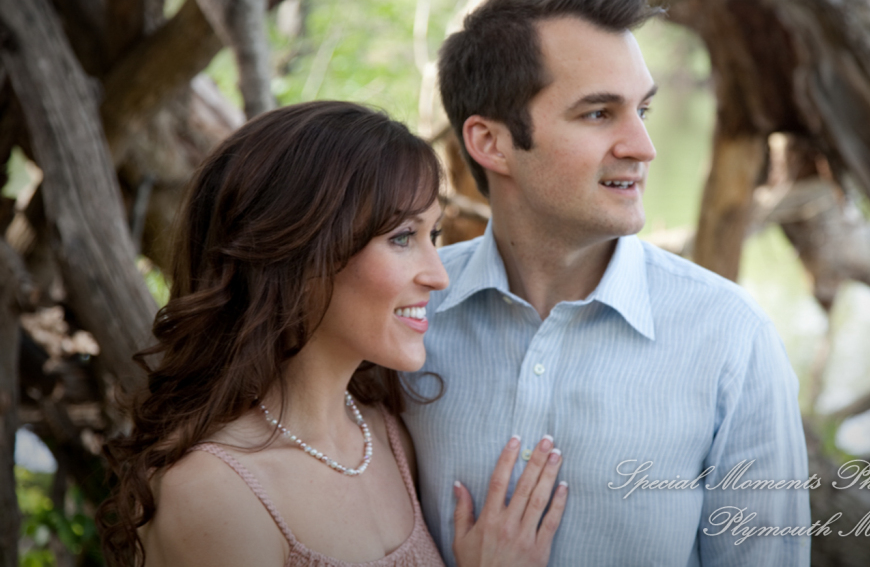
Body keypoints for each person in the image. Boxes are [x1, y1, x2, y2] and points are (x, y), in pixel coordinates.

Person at [402, 0, 811, 566]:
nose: (642, 147)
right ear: (490, 142)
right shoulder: (405, 317)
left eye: (641, 110)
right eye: (598, 113)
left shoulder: (730, 337)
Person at [97, 102, 568, 567]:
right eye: (403, 237)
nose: (437, 275)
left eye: (435, 236)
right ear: (298, 253)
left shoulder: (388, 435)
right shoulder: (215, 493)